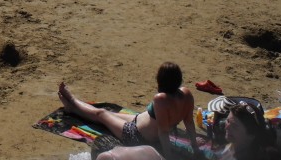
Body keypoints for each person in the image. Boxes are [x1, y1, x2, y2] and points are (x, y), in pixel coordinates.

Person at [57, 62, 201, 159]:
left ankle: (72, 103)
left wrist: (168, 157)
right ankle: (73, 104)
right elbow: (189, 123)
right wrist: (195, 147)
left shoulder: (161, 99)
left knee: (102, 114)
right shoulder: (186, 94)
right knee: (109, 113)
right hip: (139, 120)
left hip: (135, 134)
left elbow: (163, 132)